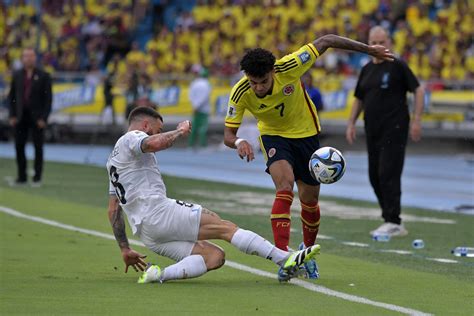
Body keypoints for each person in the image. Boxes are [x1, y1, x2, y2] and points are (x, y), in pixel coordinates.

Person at [223, 34, 394, 279]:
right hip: (273, 136)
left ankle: (307, 251)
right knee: (284, 186)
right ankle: (283, 257)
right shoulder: (240, 92)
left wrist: (369, 50)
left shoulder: (290, 66)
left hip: (306, 135)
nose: (258, 88)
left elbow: (327, 40)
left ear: (273, 71)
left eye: (262, 81)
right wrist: (239, 142)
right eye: (253, 83)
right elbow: (229, 134)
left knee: (309, 200)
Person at [106, 106, 320, 284]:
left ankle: (158, 275)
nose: (156, 133)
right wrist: (179, 131)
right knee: (224, 227)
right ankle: (284, 259)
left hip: (148, 234)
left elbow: (114, 209)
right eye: (156, 129)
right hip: (159, 213)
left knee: (214, 257)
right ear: (145, 125)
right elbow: (152, 143)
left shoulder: (112, 162)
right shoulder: (131, 138)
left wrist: (124, 248)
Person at [345, 26, 424, 237]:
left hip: (395, 128)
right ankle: (388, 217)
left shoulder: (397, 66)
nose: (378, 46)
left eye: (382, 42)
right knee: (374, 176)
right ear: (367, 44)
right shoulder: (366, 69)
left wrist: (417, 119)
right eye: (374, 42)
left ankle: (394, 220)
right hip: (372, 128)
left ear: (389, 43)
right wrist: (351, 122)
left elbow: (418, 89)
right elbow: (359, 98)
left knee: (388, 173)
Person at [8, 48, 52, 186]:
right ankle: (21, 177)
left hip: (37, 118)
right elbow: (12, 97)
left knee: (38, 148)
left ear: (35, 58)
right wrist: (12, 115)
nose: (28, 58)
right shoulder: (17, 75)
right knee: (19, 146)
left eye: (31, 56)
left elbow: (48, 99)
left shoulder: (44, 75)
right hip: (20, 117)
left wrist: (44, 118)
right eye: (26, 56)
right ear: (22, 58)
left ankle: (37, 178)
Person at [188, 65, 211, 148]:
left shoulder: (193, 83)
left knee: (193, 127)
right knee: (203, 128)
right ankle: (202, 144)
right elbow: (204, 97)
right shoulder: (206, 83)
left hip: (196, 108)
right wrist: (197, 106)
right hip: (203, 109)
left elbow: (190, 96)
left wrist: (194, 106)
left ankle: (191, 144)